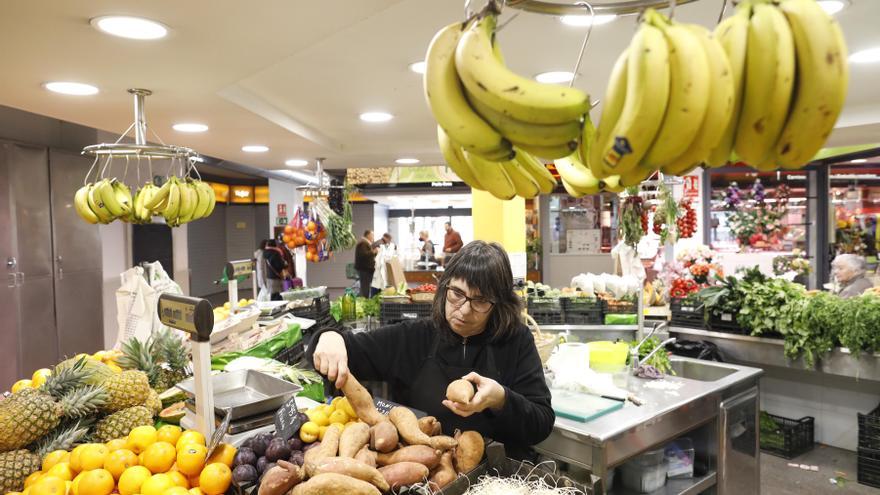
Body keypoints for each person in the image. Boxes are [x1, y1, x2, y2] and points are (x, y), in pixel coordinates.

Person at [309, 241, 554, 460]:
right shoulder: (413, 337)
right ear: (444, 287)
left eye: (480, 301)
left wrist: (502, 399)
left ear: (498, 304)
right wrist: (329, 336)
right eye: (457, 294)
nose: (464, 310)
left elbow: (541, 424)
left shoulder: (516, 340)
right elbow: (340, 354)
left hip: (498, 477)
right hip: (426, 476)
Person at [354, 230, 378, 298]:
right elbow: (364, 255)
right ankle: (363, 300)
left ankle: (364, 299)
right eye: (372, 235)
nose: (373, 237)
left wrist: (375, 253)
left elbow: (368, 255)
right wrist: (373, 252)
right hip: (364, 269)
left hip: (367, 269)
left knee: (366, 287)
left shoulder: (366, 243)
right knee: (365, 287)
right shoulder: (363, 243)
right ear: (368, 235)